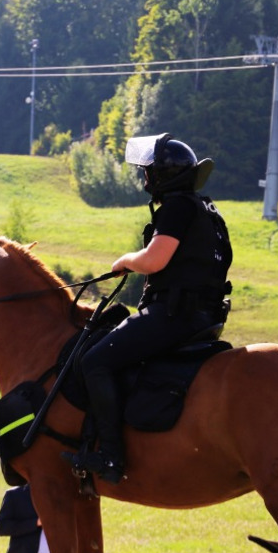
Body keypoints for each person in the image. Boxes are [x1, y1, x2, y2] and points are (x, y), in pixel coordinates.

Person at [70, 133, 232, 484]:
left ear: (161, 178)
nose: (145, 180)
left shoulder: (177, 209)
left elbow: (155, 260)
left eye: (148, 173)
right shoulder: (208, 212)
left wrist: (126, 260)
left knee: (94, 362)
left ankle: (111, 457)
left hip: (173, 317)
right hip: (204, 317)